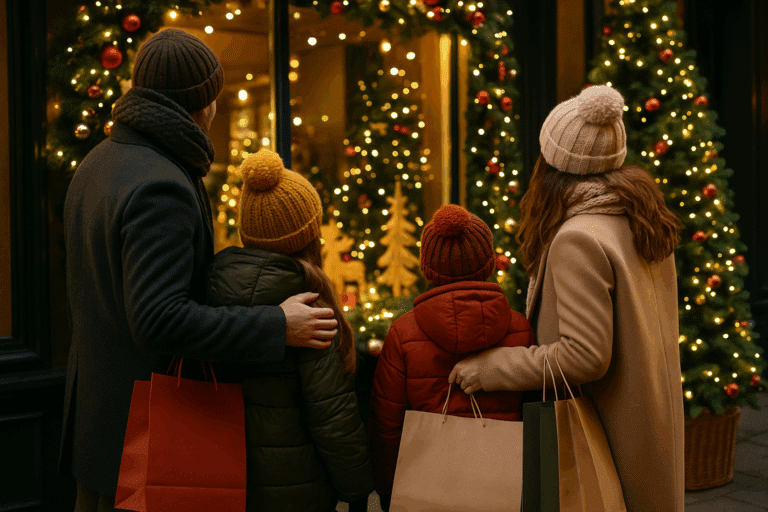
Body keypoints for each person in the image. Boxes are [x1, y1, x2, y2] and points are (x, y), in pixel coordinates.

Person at [59, 29, 338, 511]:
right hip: (146, 440)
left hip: (100, 427)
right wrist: (276, 324)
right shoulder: (160, 185)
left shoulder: (98, 162)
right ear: (201, 102)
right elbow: (158, 319)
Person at [449, 85, 685, 511]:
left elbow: (586, 355)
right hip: (648, 420)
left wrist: (493, 367)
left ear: (553, 165)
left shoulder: (578, 238)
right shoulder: (639, 215)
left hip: (603, 434)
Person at [205, 149, 374, 512]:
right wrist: (357, 490)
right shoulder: (307, 309)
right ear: (310, 235)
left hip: (222, 479)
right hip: (298, 491)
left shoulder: (211, 290)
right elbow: (333, 418)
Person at [368, 204, 536, 511]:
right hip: (503, 487)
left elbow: (387, 424)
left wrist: (388, 490)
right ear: (488, 263)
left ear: (427, 267)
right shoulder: (519, 328)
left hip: (426, 486)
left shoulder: (403, 332)